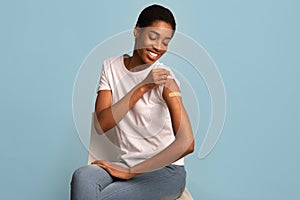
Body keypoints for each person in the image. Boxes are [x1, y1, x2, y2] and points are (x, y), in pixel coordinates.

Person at [71, 4, 194, 200]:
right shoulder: (110, 67)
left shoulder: (166, 81)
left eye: (166, 42)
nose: (158, 47)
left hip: (166, 172)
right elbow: (102, 124)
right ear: (137, 31)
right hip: (125, 164)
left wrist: (132, 171)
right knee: (83, 176)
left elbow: (187, 143)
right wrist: (142, 88)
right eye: (153, 37)